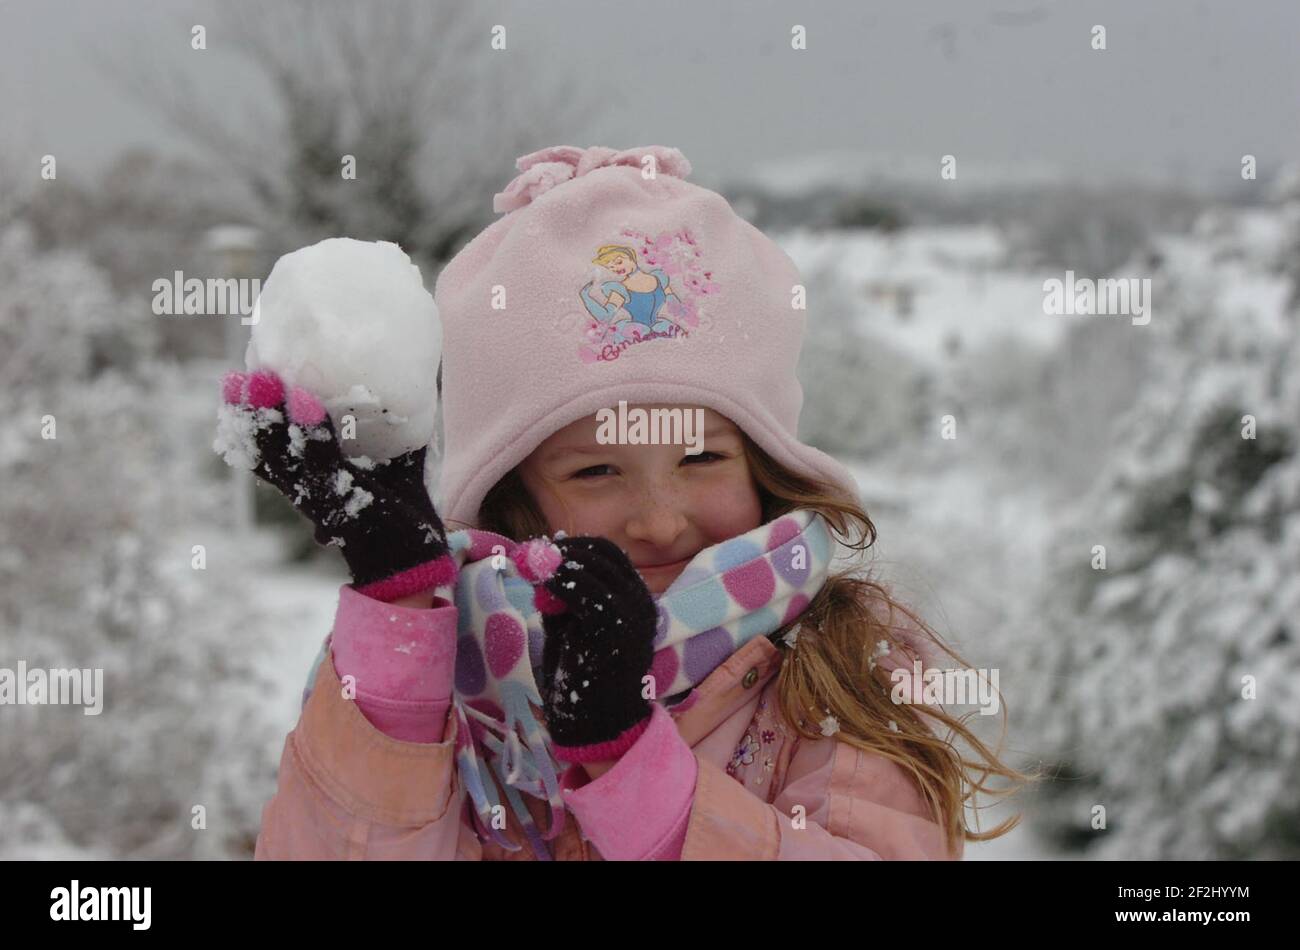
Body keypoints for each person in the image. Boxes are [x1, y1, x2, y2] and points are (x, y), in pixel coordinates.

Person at [223, 143, 1029, 861]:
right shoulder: (448, 678)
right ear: (513, 496)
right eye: (597, 472)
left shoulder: (838, 675)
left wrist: (629, 766)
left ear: (769, 462)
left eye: (703, 456)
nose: (659, 517)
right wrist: (400, 617)